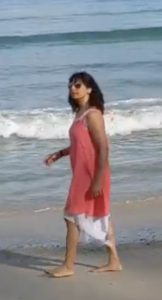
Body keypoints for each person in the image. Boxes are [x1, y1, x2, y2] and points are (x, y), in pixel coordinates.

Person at [42, 71, 123, 278]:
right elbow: (80, 144)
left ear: (89, 88)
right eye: (70, 85)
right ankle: (114, 261)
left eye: (77, 85)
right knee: (101, 215)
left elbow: (103, 148)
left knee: (70, 216)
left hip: (92, 174)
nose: (73, 89)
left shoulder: (93, 115)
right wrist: (59, 153)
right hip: (82, 173)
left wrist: (98, 180)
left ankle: (68, 266)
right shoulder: (80, 114)